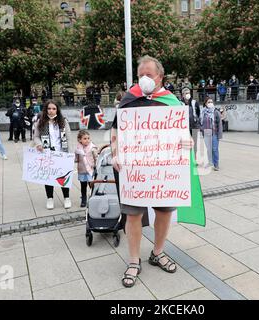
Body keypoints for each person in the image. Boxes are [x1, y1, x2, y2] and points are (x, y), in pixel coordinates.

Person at [110, 56, 193, 288]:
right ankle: (134, 260)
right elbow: (116, 128)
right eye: (141, 75)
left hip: (164, 171)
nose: (144, 79)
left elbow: (183, 132)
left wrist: (188, 142)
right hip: (134, 170)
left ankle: (157, 252)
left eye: (149, 74)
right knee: (133, 214)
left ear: (160, 76)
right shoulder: (129, 98)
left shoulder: (172, 101)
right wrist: (115, 152)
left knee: (164, 212)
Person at [33, 100, 73, 210]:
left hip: (62, 153)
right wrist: (39, 144)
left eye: (54, 108)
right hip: (47, 154)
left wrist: (70, 154)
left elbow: (69, 138)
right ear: (46, 110)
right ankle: (50, 199)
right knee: (48, 177)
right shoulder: (40, 122)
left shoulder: (63, 121)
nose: (51, 111)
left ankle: (66, 198)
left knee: (63, 177)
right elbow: (36, 136)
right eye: (49, 109)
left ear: (57, 110)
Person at [75, 130, 98, 207]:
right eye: (85, 138)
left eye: (88, 138)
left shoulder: (92, 147)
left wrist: (96, 167)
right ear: (79, 140)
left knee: (91, 185)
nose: (87, 140)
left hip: (90, 170)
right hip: (82, 171)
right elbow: (76, 159)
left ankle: (93, 199)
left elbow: (96, 158)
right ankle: (84, 199)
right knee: (83, 186)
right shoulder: (78, 148)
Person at [200, 97, 222, 170]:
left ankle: (216, 164)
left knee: (214, 149)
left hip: (214, 133)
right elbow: (201, 122)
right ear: (205, 103)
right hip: (206, 133)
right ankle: (210, 162)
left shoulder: (216, 112)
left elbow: (219, 124)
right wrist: (202, 130)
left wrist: (219, 135)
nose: (210, 103)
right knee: (209, 149)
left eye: (211, 102)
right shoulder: (203, 112)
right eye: (208, 102)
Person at [181, 87, 201, 163]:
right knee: (186, 143)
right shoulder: (180, 103)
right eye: (186, 93)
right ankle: (187, 159)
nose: (188, 94)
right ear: (183, 95)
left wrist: (197, 120)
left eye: (189, 93)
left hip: (194, 126)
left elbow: (198, 112)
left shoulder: (194, 102)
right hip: (185, 127)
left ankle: (194, 160)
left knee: (194, 143)